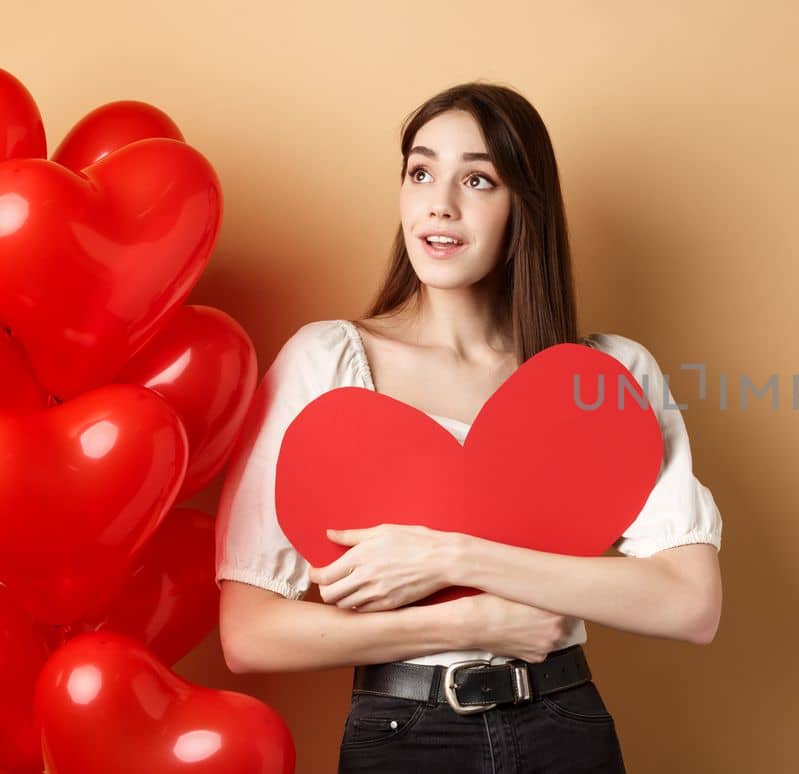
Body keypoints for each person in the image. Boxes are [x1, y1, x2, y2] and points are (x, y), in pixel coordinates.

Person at [214, 82, 724, 774]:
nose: (439, 203)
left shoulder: (607, 376)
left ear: (524, 207)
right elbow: (250, 634)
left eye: (477, 179)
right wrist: (464, 622)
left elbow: (689, 605)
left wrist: (451, 556)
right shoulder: (328, 362)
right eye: (420, 172)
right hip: (403, 734)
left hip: (564, 727)